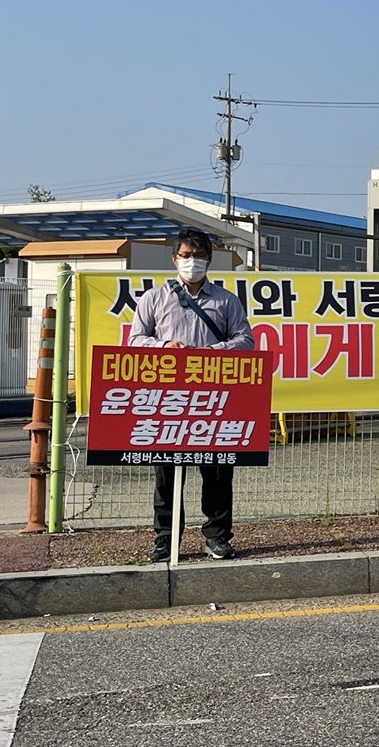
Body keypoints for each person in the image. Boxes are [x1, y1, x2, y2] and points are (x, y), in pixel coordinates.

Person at [129, 227, 253, 561]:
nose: (192, 262)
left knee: (216, 470)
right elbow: (134, 341)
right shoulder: (154, 298)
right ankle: (165, 540)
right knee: (167, 473)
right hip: (168, 401)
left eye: (199, 256)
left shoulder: (226, 300)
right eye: (186, 255)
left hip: (213, 399)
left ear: (209, 260)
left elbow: (246, 340)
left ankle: (217, 536)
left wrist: (216, 351)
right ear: (174, 259)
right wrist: (165, 346)